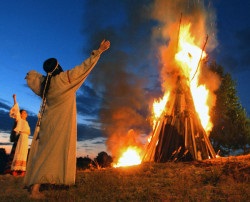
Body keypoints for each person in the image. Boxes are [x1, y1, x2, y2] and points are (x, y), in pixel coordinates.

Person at [24, 39, 110, 199]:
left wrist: (34, 74)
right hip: (60, 125)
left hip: (47, 124)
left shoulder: (45, 85)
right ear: (58, 68)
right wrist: (98, 52)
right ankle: (35, 190)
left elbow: (32, 77)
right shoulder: (64, 79)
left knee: (45, 153)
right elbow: (83, 68)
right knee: (51, 154)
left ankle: (44, 183)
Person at [9, 94, 30, 177]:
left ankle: (22, 170)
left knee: (24, 153)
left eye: (26, 112)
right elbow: (16, 110)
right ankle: (15, 169)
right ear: (21, 114)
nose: (26, 113)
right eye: (24, 112)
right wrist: (14, 99)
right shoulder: (19, 120)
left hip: (26, 138)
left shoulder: (27, 122)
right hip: (21, 137)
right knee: (19, 152)